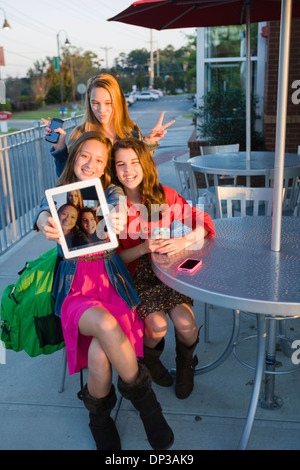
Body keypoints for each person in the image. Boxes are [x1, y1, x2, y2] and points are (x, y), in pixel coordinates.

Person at [34, 131, 174, 451]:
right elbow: (42, 212)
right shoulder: (59, 192)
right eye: (85, 155)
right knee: (106, 326)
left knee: (99, 355)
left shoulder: (110, 191)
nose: (91, 164)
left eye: (99, 160)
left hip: (113, 286)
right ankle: (149, 409)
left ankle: (99, 421)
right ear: (74, 156)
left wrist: (117, 217)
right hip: (76, 291)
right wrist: (46, 222)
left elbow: (117, 207)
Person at [111, 138, 215, 400]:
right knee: (156, 326)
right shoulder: (113, 208)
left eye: (134, 162)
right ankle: (150, 359)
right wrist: (144, 248)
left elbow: (203, 222)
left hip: (168, 270)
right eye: (120, 164)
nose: (128, 170)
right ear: (114, 170)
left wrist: (184, 239)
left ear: (145, 164)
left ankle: (186, 363)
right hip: (136, 277)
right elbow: (113, 261)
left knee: (186, 323)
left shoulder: (163, 196)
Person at [42, 73, 175, 177]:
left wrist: (148, 143)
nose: (101, 110)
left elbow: (139, 169)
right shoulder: (80, 134)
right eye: (95, 103)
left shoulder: (131, 132)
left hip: (124, 205)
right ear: (88, 102)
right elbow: (66, 178)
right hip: (92, 205)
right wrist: (60, 148)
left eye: (108, 103)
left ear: (118, 101)